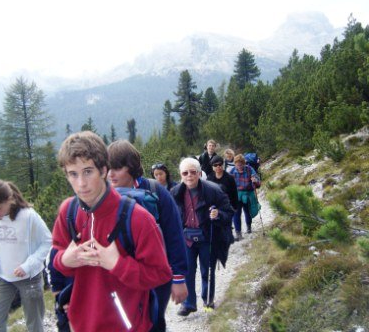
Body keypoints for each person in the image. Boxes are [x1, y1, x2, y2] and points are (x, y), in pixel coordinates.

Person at [52, 131, 172, 332]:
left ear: (103, 169)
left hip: (129, 326)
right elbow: (56, 258)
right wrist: (65, 260)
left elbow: (160, 274)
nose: (81, 183)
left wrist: (117, 264)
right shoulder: (68, 212)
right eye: (73, 174)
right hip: (80, 325)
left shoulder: (137, 218)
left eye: (88, 171)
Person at [108, 140, 188, 332]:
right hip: (121, 274)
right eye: (107, 168)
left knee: (152, 322)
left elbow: (174, 235)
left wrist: (179, 278)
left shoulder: (155, 191)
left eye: (117, 168)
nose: (110, 174)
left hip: (156, 275)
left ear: (132, 167)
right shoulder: (103, 195)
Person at [0, 179, 52, 332]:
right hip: (2, 277)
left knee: (35, 324)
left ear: (10, 200)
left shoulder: (28, 216)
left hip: (30, 277)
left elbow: (48, 241)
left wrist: (28, 265)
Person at [170, 157, 235, 316]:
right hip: (187, 238)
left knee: (208, 270)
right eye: (185, 173)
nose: (189, 176)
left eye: (193, 172)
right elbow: (169, 217)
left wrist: (218, 214)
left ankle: (208, 300)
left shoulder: (214, 190)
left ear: (199, 173)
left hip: (208, 237)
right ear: (180, 175)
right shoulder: (175, 193)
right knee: (187, 271)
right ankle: (189, 304)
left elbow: (229, 211)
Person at [230, 154, 261, 241]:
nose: (239, 166)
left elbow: (257, 181)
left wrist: (255, 181)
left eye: (240, 164)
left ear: (244, 163)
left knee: (247, 212)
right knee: (236, 214)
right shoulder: (232, 171)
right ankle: (238, 233)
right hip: (236, 195)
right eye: (237, 164)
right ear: (235, 164)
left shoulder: (249, 169)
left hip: (247, 194)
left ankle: (249, 227)